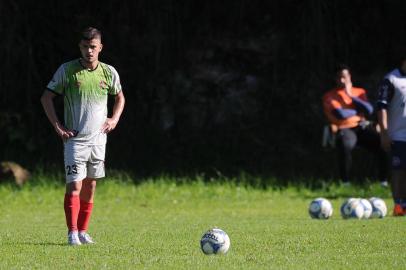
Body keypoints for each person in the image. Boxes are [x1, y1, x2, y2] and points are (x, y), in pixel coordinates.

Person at [40, 27, 125, 245]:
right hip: (75, 141)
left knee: (91, 186)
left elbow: (120, 98)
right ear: (80, 47)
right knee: (75, 186)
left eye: (93, 47)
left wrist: (114, 119)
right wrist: (58, 126)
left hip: (98, 141)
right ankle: (72, 232)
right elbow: (46, 98)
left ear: (100, 48)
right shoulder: (67, 70)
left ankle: (83, 231)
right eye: (85, 47)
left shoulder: (108, 72)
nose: (89, 51)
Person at [322, 64, 388, 186]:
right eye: (339, 77)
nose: (342, 80)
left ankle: (383, 181)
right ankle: (345, 182)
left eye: (344, 77)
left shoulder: (359, 92)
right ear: (335, 79)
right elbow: (340, 114)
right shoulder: (329, 96)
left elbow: (369, 110)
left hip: (362, 126)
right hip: (345, 128)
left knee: (382, 142)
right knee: (343, 144)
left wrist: (351, 96)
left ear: (349, 77)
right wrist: (357, 110)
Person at [377, 58, 406, 216]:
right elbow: (382, 107)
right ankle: (398, 205)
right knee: (399, 170)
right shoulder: (391, 79)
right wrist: (384, 133)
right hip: (398, 135)